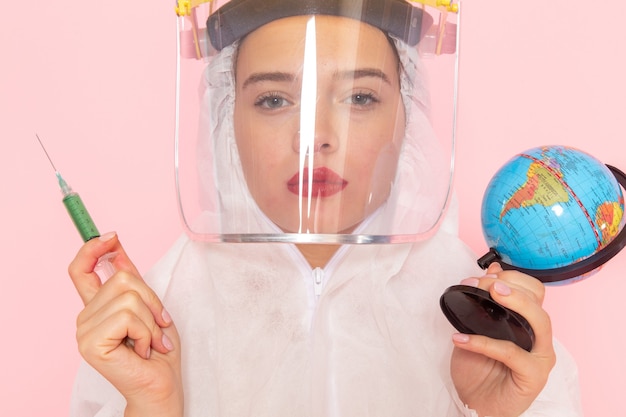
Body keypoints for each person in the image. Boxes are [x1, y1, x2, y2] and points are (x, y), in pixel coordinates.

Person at [68, 0, 583, 416]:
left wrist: (494, 415)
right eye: (273, 100)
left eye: (360, 98)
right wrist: (152, 406)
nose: (314, 137)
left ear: (408, 117)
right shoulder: (157, 310)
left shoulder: (487, 315)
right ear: (228, 121)